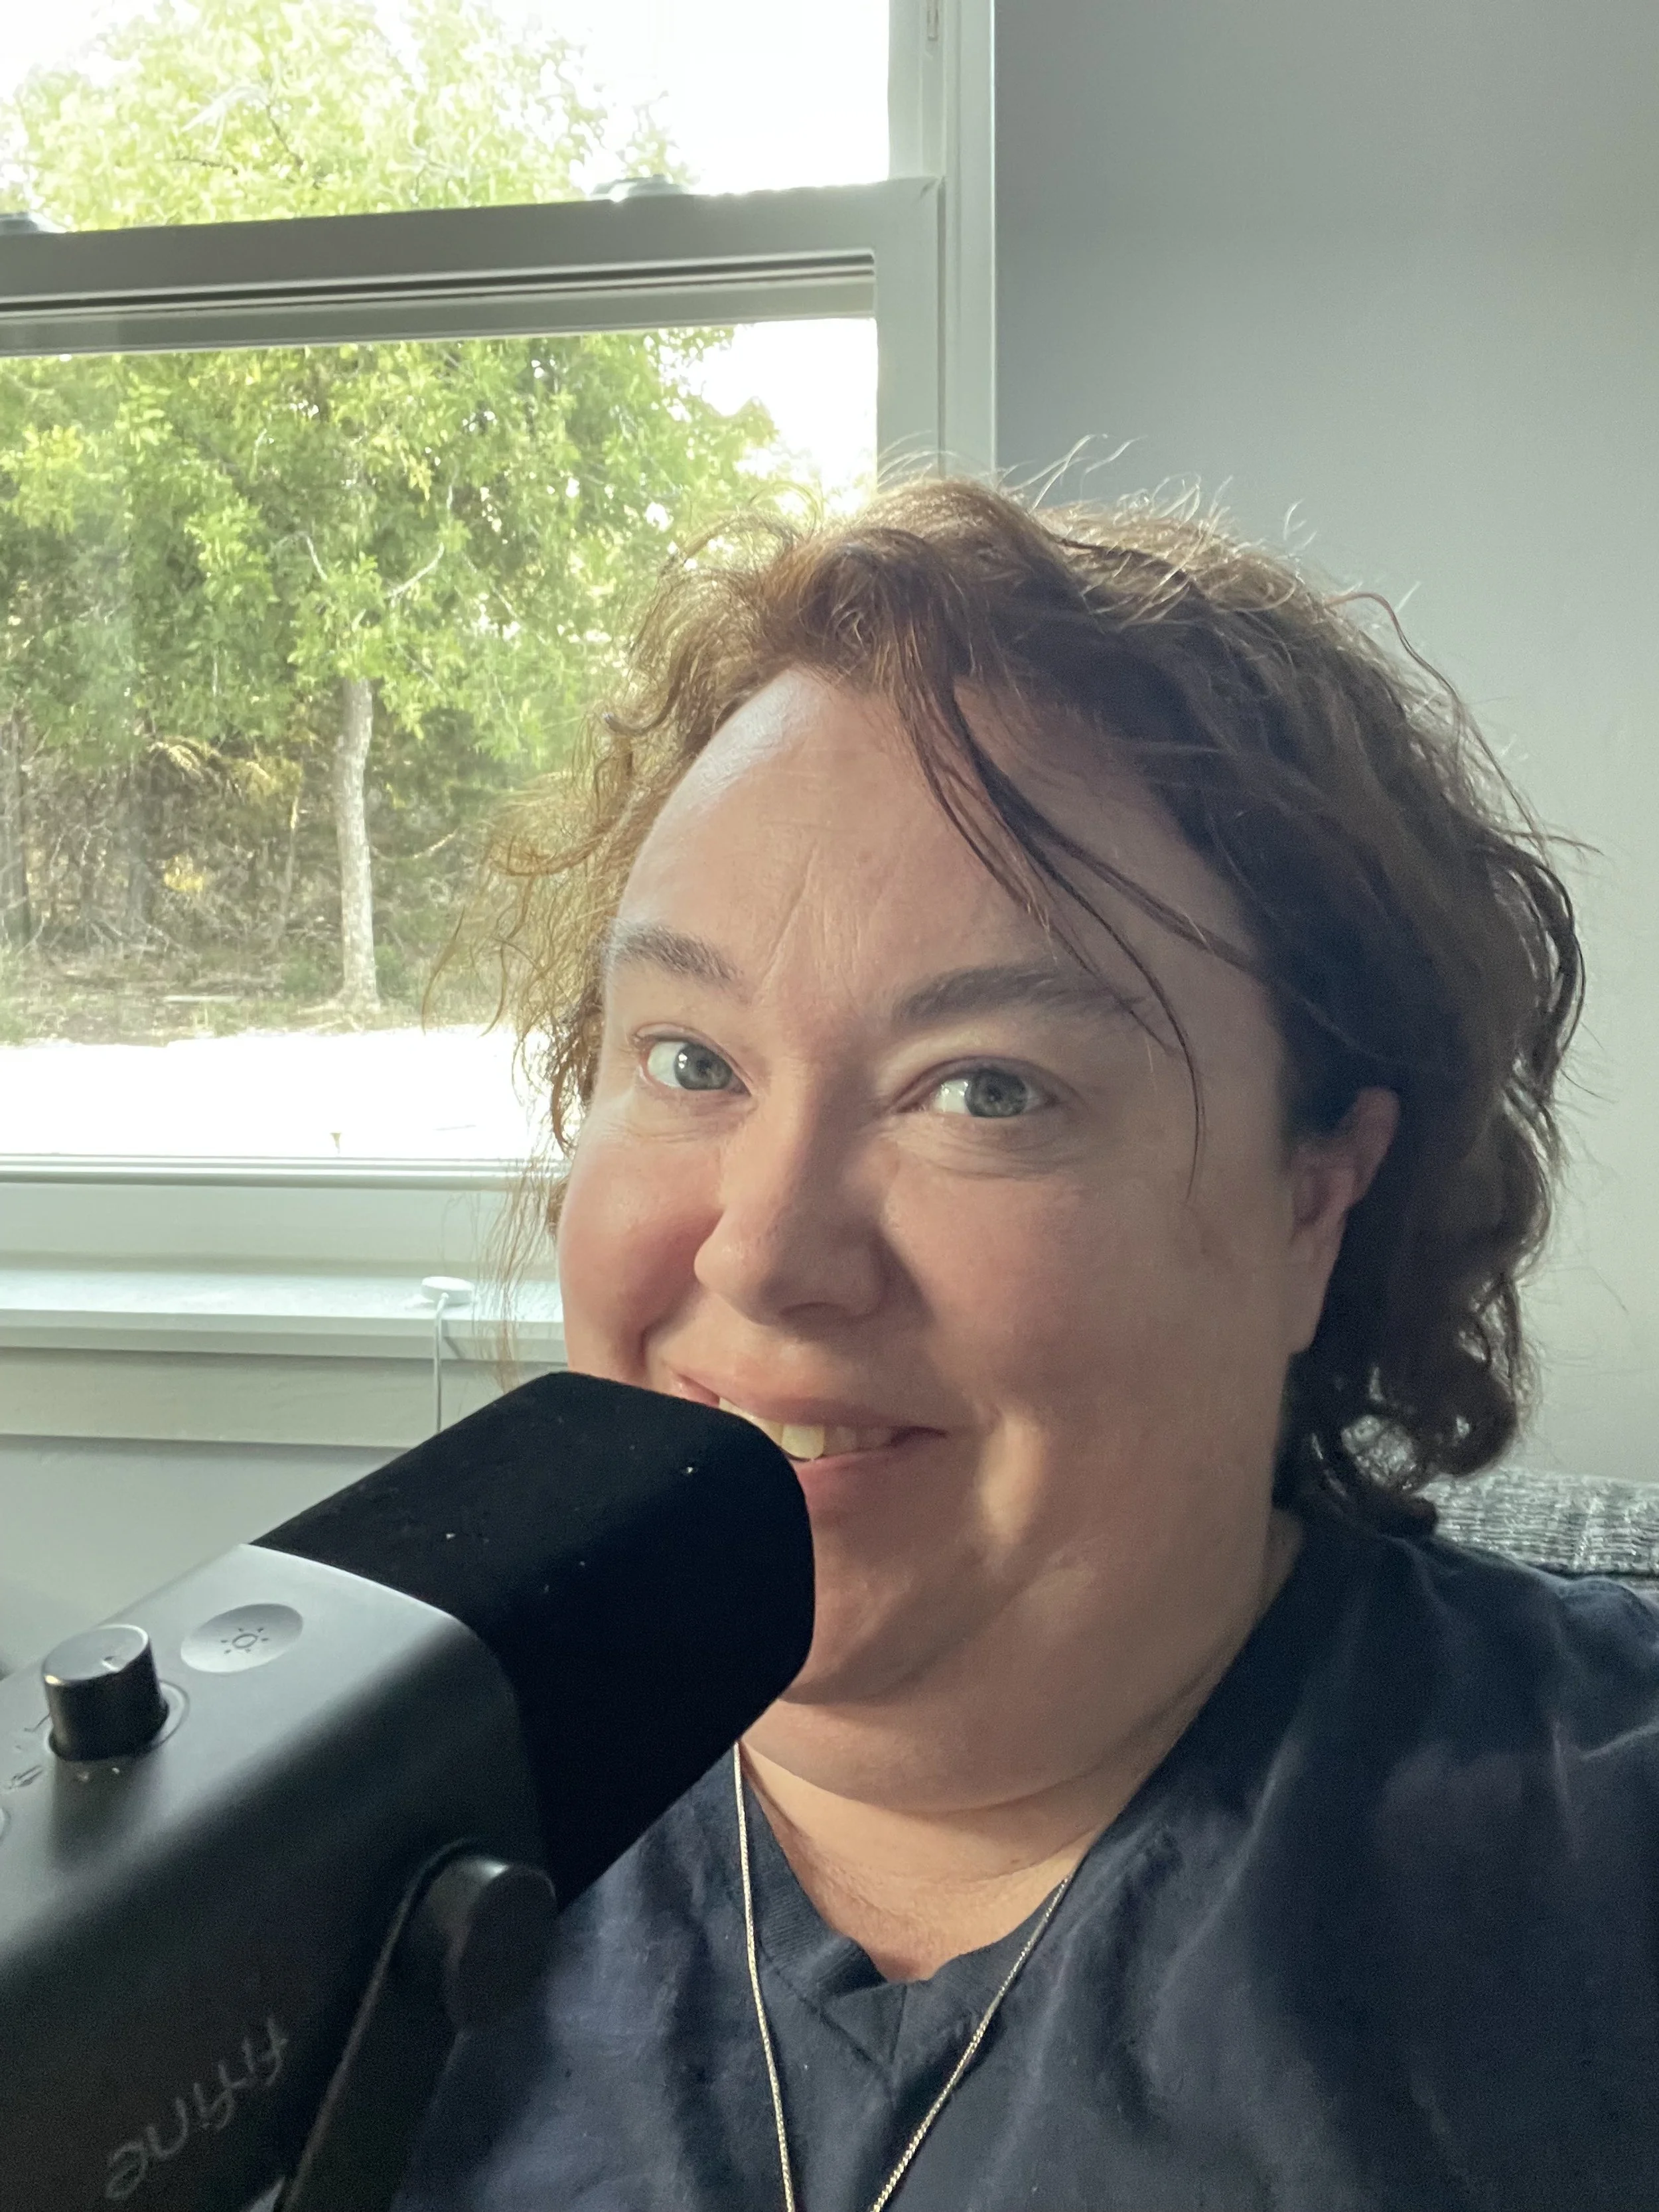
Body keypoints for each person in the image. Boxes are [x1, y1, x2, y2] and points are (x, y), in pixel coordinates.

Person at [398, 480, 1659, 2211]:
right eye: (688, 1060)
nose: (763, 1254)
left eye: (987, 1089)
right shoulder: (336, 1865)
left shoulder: (1599, 1879)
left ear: (1317, 1193)